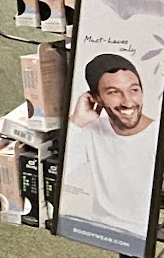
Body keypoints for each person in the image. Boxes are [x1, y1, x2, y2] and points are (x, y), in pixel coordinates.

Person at [61, 54, 160, 244]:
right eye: (114, 92)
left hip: (145, 231)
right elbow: (63, 173)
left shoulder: (157, 134)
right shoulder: (91, 128)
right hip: (101, 229)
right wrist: (77, 122)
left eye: (134, 90)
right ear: (96, 98)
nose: (128, 101)